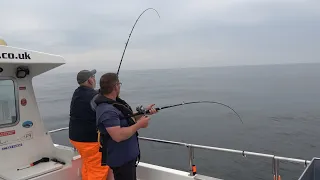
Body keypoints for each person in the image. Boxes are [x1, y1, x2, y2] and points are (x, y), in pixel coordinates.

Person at [94, 72, 157, 180]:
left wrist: (145, 112)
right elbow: (117, 136)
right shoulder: (107, 111)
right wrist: (139, 125)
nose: (120, 87)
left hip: (126, 157)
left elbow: (127, 119)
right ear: (115, 87)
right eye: (119, 84)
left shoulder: (113, 104)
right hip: (121, 159)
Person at [69, 69, 113, 180]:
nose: (94, 79)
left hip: (76, 138)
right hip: (90, 141)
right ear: (89, 80)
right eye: (93, 77)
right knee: (98, 169)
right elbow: (108, 106)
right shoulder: (95, 96)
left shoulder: (77, 93)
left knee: (88, 164)